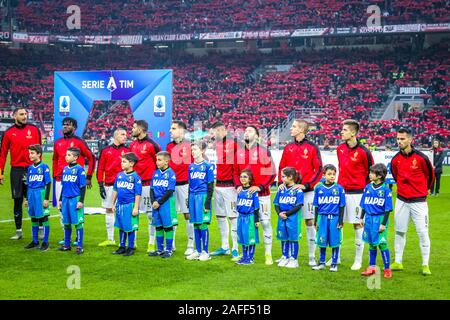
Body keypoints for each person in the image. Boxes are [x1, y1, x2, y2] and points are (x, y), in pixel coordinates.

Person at [278, 119, 322, 266]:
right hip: (289, 192)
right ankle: (286, 255)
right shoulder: (288, 147)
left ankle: (311, 257)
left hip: (306, 192)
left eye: (294, 126)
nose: (291, 128)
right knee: (285, 220)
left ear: (302, 130)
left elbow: (318, 169)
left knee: (309, 221)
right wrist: (280, 183)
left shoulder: (312, 147)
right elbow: (282, 167)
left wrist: (307, 185)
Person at [390, 128, 435, 275]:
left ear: (410, 140)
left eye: (402, 139)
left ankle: (425, 264)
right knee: (399, 231)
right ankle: (398, 261)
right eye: (398, 139)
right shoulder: (395, 160)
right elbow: (397, 178)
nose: (399, 141)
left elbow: (431, 176)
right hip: (402, 201)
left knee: (422, 232)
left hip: (419, 202)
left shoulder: (422, 158)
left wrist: (423, 190)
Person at [234, 125, 276, 265]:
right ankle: (245, 252)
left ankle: (268, 253)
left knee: (264, 222)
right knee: (244, 223)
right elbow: (235, 172)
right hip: (244, 196)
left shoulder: (264, 151)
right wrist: (238, 185)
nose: (246, 132)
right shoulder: (239, 152)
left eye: (250, 131)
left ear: (257, 136)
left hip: (262, 195)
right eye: (245, 131)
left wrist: (260, 187)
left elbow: (272, 173)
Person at [336, 119, 374, 270]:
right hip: (340, 193)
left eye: (345, 130)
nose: (342, 132)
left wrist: (363, 189)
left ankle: (358, 260)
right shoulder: (339, 149)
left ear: (353, 132)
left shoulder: (364, 151)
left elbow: (371, 173)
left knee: (358, 225)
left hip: (357, 194)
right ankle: (336, 257)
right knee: (338, 224)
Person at [0, 107, 42, 240]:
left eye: (26, 114)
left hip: (32, 169)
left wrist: (39, 168)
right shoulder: (8, 133)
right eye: (21, 114)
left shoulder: (34, 129)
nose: (25, 116)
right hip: (16, 171)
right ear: (14, 116)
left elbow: (39, 149)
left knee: (35, 199)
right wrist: (0, 173)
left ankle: (40, 228)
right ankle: (18, 231)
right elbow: (3, 154)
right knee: (17, 200)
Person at [52, 117, 95, 245]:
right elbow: (55, 159)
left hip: (75, 181)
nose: (65, 126)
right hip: (60, 180)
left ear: (74, 128)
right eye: (64, 124)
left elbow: (91, 157)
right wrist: (55, 175)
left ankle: (77, 238)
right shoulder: (58, 142)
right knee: (61, 208)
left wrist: (88, 176)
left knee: (75, 208)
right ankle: (66, 238)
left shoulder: (79, 142)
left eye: (68, 125)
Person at [209, 121, 241, 260]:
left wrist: (239, 183)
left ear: (222, 130)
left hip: (230, 186)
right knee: (221, 216)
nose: (213, 134)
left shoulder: (234, 143)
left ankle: (235, 248)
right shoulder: (217, 145)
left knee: (233, 217)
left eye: (214, 131)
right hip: (218, 185)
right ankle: (224, 246)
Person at [129, 120, 161, 250]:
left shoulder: (152, 145)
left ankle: (151, 242)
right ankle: (133, 242)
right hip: (134, 184)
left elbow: (159, 162)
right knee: (133, 212)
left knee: (150, 214)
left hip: (148, 185)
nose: (132, 129)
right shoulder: (132, 145)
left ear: (141, 129)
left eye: (134, 127)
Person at [360, 163, 393, 279]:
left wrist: (383, 224)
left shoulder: (386, 190)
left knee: (382, 243)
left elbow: (388, 209)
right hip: (368, 218)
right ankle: (372, 267)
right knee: (371, 243)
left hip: (379, 219)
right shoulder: (368, 187)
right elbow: (364, 204)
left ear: (379, 176)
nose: (369, 174)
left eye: (372, 173)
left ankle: (387, 268)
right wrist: (361, 217)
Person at [96, 128, 129, 247]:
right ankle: (110, 239)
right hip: (109, 185)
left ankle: (129, 241)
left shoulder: (127, 151)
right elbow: (100, 168)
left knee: (125, 211)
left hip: (124, 186)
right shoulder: (106, 150)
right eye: (122, 134)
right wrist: (100, 184)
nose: (125, 136)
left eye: (126, 135)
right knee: (109, 210)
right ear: (115, 136)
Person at [166, 120, 194, 256]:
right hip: (171, 186)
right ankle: (171, 243)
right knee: (171, 214)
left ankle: (190, 244)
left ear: (181, 131)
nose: (170, 131)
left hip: (185, 185)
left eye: (173, 128)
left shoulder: (190, 146)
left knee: (188, 214)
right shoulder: (169, 146)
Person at [312, 164, 345, 272]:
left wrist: (340, 221)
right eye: (329, 174)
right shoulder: (319, 188)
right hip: (322, 218)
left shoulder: (339, 188)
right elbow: (316, 206)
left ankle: (334, 263)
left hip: (334, 218)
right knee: (322, 240)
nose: (332, 176)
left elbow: (341, 206)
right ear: (324, 175)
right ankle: (321, 262)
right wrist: (316, 220)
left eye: (334, 174)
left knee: (335, 241)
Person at [185, 142, 215, 261]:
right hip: (192, 197)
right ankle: (197, 251)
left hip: (202, 196)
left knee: (202, 224)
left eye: (195, 149)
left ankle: (206, 252)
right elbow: (190, 184)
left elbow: (211, 185)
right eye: (192, 150)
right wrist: (188, 199)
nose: (193, 152)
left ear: (202, 151)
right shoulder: (191, 167)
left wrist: (207, 202)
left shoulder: (208, 166)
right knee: (196, 224)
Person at [111, 152, 142, 257]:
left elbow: (138, 193)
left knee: (130, 227)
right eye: (121, 161)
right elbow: (115, 189)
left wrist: (136, 207)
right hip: (120, 204)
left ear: (131, 163)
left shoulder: (135, 177)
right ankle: (122, 246)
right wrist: (113, 204)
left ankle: (131, 247)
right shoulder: (119, 175)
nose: (122, 163)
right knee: (121, 226)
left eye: (124, 162)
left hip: (130, 205)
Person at [57, 147, 87, 255]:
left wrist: (81, 201)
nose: (66, 156)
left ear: (75, 157)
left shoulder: (80, 169)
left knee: (78, 223)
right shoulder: (65, 169)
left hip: (75, 199)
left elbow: (83, 187)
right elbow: (63, 186)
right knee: (66, 223)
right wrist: (60, 200)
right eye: (66, 154)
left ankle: (79, 246)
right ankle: (66, 245)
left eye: (69, 155)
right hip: (65, 199)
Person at [148, 151, 177, 258]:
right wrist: (153, 202)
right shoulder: (155, 173)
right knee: (158, 227)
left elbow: (170, 191)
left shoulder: (171, 174)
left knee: (168, 227)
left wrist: (159, 202)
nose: (157, 162)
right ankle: (160, 249)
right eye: (156, 160)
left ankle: (169, 250)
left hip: (166, 204)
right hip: (156, 204)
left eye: (159, 160)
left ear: (166, 161)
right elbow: (151, 189)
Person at [274, 167, 304, 269]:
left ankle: (293, 259)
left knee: (293, 239)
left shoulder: (297, 190)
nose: (281, 178)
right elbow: (276, 203)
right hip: (282, 218)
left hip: (293, 218)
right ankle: (285, 256)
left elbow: (298, 206)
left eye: (283, 176)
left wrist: (287, 213)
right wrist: (279, 213)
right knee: (283, 238)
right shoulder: (281, 189)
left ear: (290, 177)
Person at [23, 144, 51, 251]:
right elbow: (28, 184)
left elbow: (48, 183)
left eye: (32, 153)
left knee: (44, 217)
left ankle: (46, 242)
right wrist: (26, 199)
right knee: (33, 217)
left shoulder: (44, 167)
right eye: (29, 153)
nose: (30, 155)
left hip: (40, 193)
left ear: (39, 154)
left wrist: (46, 199)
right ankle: (35, 241)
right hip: (31, 193)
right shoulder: (30, 168)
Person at [235, 169, 260, 265]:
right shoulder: (240, 190)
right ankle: (244, 256)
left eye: (245, 177)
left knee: (250, 237)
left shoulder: (253, 191)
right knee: (242, 237)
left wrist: (256, 220)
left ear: (250, 179)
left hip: (250, 217)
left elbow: (256, 206)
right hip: (241, 217)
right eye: (241, 177)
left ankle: (250, 258)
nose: (242, 178)